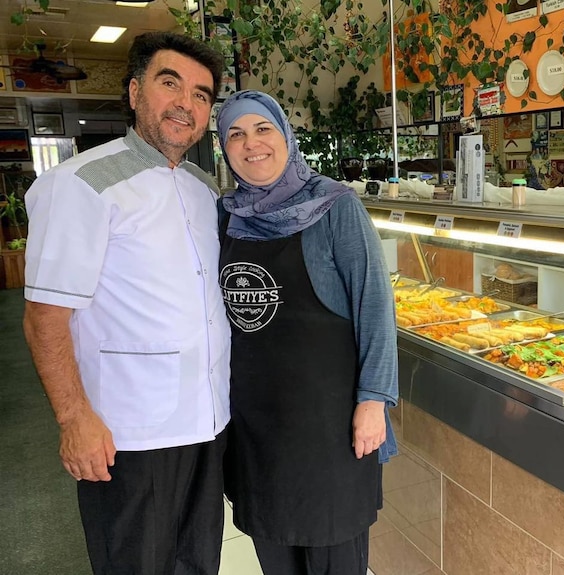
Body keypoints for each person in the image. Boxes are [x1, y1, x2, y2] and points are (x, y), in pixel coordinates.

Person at [22, 32, 231, 575]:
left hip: (206, 423)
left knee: (199, 561)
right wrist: (74, 419)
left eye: (202, 94)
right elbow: (46, 315)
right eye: (170, 83)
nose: (186, 103)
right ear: (135, 92)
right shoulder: (80, 185)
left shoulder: (204, 188)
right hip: (130, 434)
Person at [216, 90, 398, 575]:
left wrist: (373, 402)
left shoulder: (335, 207)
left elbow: (376, 308)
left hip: (329, 431)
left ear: (286, 136)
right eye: (235, 133)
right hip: (255, 429)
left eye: (262, 129)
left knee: (334, 560)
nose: (250, 143)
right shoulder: (226, 215)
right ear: (224, 148)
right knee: (274, 557)